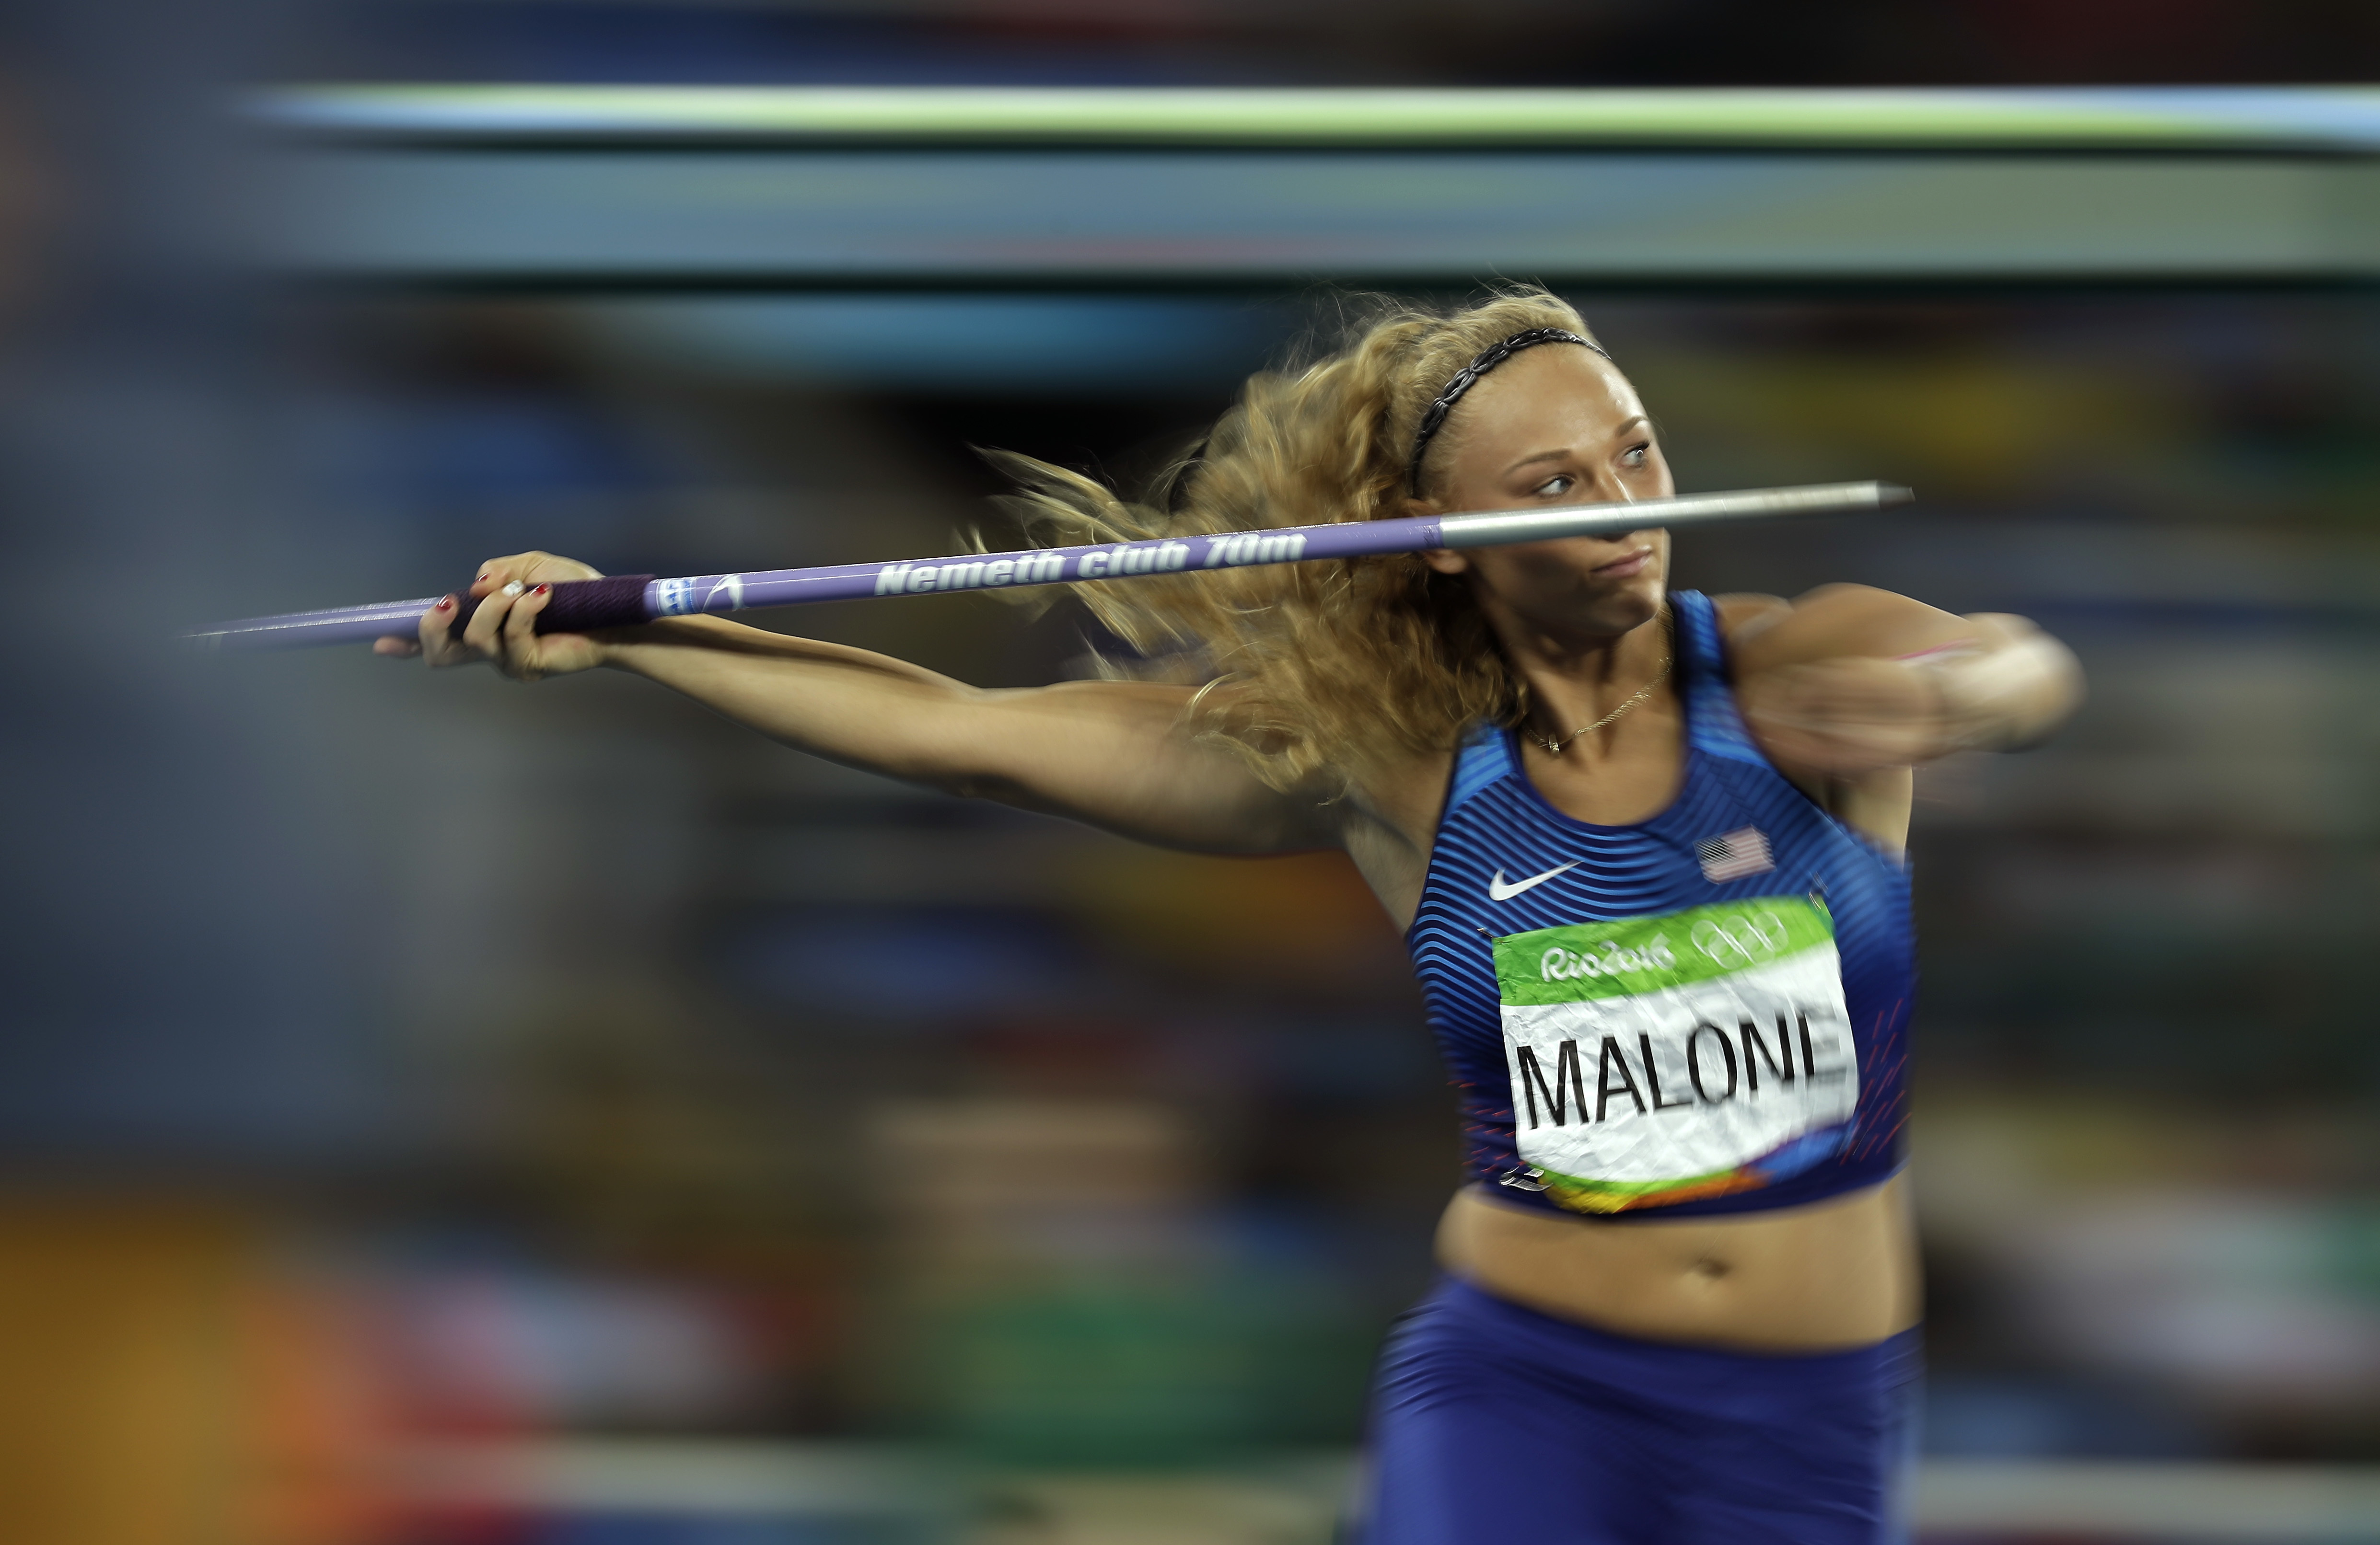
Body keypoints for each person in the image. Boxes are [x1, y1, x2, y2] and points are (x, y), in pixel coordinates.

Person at [382, 287, 2081, 1543]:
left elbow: (2007, 658)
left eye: (1633, 448)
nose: (1623, 497)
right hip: (1528, 1384)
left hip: (1808, 1410)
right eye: (1553, 481)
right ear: (1442, 544)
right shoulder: (1398, 770)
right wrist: (629, 633)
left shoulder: (1789, 669)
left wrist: (1963, 694)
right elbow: (956, 735)